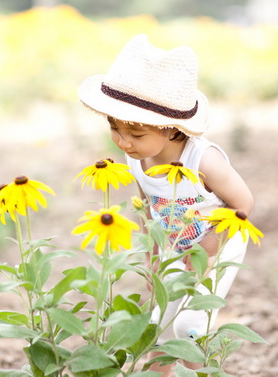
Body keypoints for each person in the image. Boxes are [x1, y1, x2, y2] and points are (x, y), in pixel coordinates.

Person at [77, 34, 254, 376]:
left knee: (190, 325)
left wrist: (208, 247)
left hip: (220, 240)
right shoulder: (136, 158)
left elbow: (243, 204)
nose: (123, 142)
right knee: (159, 322)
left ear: (173, 130)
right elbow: (147, 209)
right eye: (114, 128)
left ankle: (196, 372)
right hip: (172, 240)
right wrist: (152, 255)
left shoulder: (204, 160)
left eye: (136, 134)